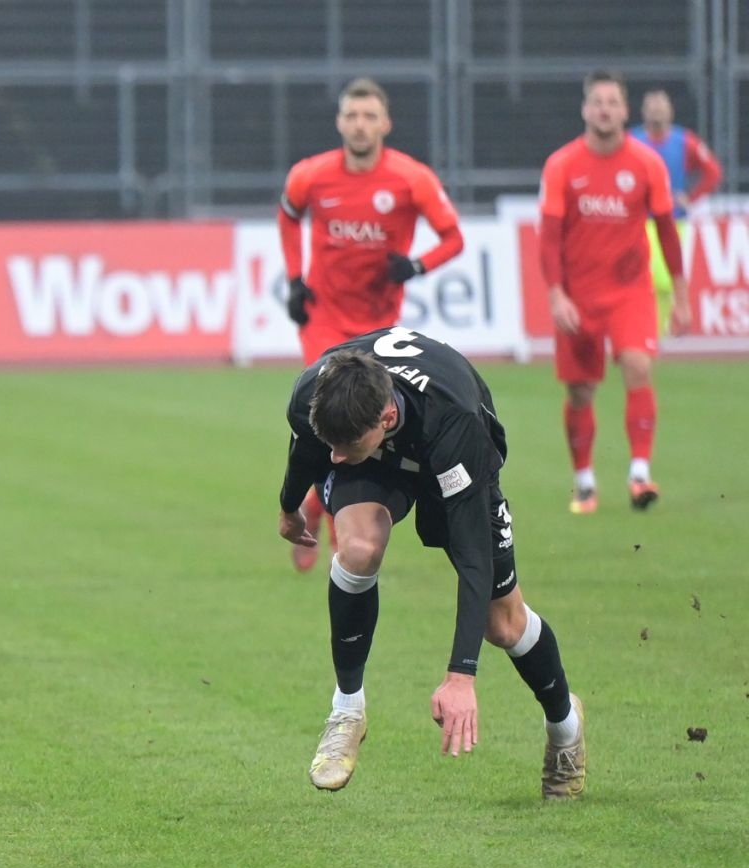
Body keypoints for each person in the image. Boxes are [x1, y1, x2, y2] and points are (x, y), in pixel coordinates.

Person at [277, 327, 585, 800]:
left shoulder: (455, 422)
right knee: (357, 549)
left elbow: (473, 560)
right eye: (331, 442)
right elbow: (312, 443)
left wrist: (461, 675)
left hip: (450, 458)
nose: (334, 456)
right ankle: (347, 711)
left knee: (502, 625)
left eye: (345, 445)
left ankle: (565, 730)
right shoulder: (315, 392)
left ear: (386, 415)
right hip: (379, 455)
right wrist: (288, 503)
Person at [278, 78, 465, 573]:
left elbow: (453, 238)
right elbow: (288, 214)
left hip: (379, 331)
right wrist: (295, 279)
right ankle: (345, 544)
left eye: (369, 116)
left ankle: (316, 511)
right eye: (351, 115)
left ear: (385, 123)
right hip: (325, 320)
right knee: (327, 417)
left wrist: (417, 266)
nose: (359, 124)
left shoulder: (411, 178)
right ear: (340, 122)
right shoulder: (310, 175)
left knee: (360, 429)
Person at [539, 70, 688, 515]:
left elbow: (667, 233)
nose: (604, 110)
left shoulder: (646, 164)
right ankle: (585, 484)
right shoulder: (562, 164)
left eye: (613, 102)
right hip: (578, 296)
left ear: (625, 111)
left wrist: (681, 295)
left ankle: (640, 475)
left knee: (638, 366)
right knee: (581, 391)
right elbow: (548, 238)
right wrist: (556, 295)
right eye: (597, 102)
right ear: (585, 109)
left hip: (630, 292)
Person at [630, 89, 722, 331]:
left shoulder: (684, 142)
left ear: (670, 111)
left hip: (673, 221)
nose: (657, 113)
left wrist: (691, 198)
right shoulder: (632, 141)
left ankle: (658, 331)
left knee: (664, 279)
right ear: (643, 112)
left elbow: (712, 171)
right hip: (639, 221)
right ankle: (649, 330)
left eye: (661, 107)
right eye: (652, 108)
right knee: (646, 279)